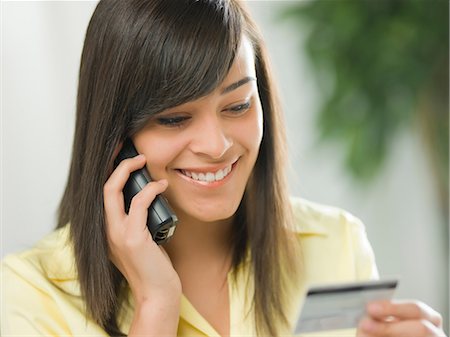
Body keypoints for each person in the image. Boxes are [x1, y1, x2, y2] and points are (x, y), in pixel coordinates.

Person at [1, 1, 446, 336]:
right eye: (174, 118)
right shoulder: (29, 294)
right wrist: (156, 306)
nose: (217, 146)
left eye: (237, 105)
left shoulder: (336, 244)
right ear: (115, 137)